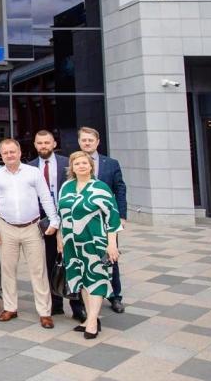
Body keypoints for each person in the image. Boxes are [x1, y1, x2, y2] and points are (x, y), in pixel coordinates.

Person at [0, 138, 59, 329]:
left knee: (38, 270)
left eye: (12, 151)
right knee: (8, 270)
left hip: (32, 228)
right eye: (5, 153)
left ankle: (45, 312)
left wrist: (54, 220)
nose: (9, 155)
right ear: (1, 155)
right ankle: (10, 308)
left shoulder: (33, 173)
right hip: (6, 228)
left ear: (19, 152)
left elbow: (45, 198)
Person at [57, 151, 122, 339]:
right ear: (72, 167)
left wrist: (112, 244)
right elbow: (61, 214)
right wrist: (60, 237)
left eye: (84, 163)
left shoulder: (100, 187)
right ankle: (88, 318)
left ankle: (93, 320)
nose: (81, 166)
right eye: (77, 163)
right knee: (81, 280)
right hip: (71, 243)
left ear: (91, 166)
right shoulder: (67, 187)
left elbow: (113, 217)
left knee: (95, 279)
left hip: (94, 241)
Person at [30, 130, 82, 321]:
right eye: (40, 143)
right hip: (43, 221)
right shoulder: (30, 167)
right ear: (35, 145)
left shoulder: (68, 163)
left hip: (69, 219)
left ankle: (77, 306)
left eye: (47, 142)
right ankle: (56, 303)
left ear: (54, 144)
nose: (43, 146)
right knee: (51, 262)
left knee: (73, 262)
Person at [78, 126, 128, 314]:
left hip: (106, 220)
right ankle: (84, 297)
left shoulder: (111, 164)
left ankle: (115, 296)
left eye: (90, 140)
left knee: (111, 257)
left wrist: (121, 216)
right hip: (82, 222)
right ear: (79, 142)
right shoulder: (73, 162)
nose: (87, 143)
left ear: (98, 142)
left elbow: (120, 190)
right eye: (84, 140)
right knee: (83, 259)